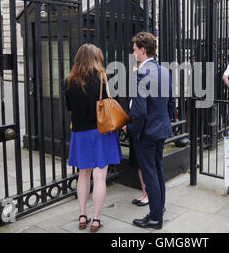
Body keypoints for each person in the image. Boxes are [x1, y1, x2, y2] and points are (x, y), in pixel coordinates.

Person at [65, 43, 122, 233]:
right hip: (100, 133)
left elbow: (69, 107)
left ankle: (82, 216)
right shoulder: (102, 78)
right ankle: (96, 220)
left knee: (83, 174)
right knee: (99, 177)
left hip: (80, 134)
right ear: (97, 58)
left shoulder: (69, 81)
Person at [126, 31, 175, 230]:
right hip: (161, 129)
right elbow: (171, 103)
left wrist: (131, 130)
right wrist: (164, 121)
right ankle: (158, 209)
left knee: (150, 175)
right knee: (157, 171)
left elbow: (139, 112)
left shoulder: (140, 74)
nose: (134, 53)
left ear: (143, 50)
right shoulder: (164, 71)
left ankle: (155, 218)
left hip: (145, 133)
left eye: (135, 49)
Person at [129, 62, 149, 207]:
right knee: (141, 165)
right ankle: (145, 193)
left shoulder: (141, 82)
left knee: (144, 165)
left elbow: (141, 111)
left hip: (141, 130)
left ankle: (147, 195)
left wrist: (130, 128)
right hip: (141, 129)